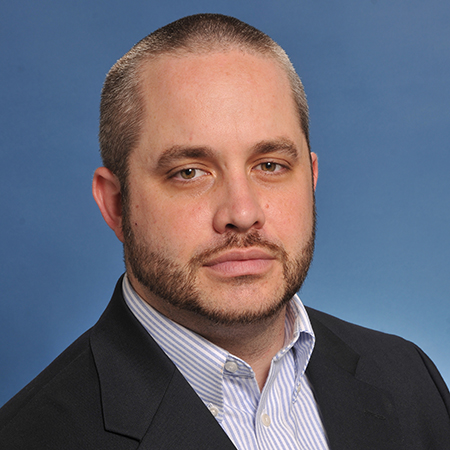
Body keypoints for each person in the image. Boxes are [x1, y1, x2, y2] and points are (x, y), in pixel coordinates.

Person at [0, 13, 449, 450]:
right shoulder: (30, 437)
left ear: (311, 180)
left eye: (270, 165)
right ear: (116, 204)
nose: (243, 213)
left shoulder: (410, 379)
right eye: (189, 172)